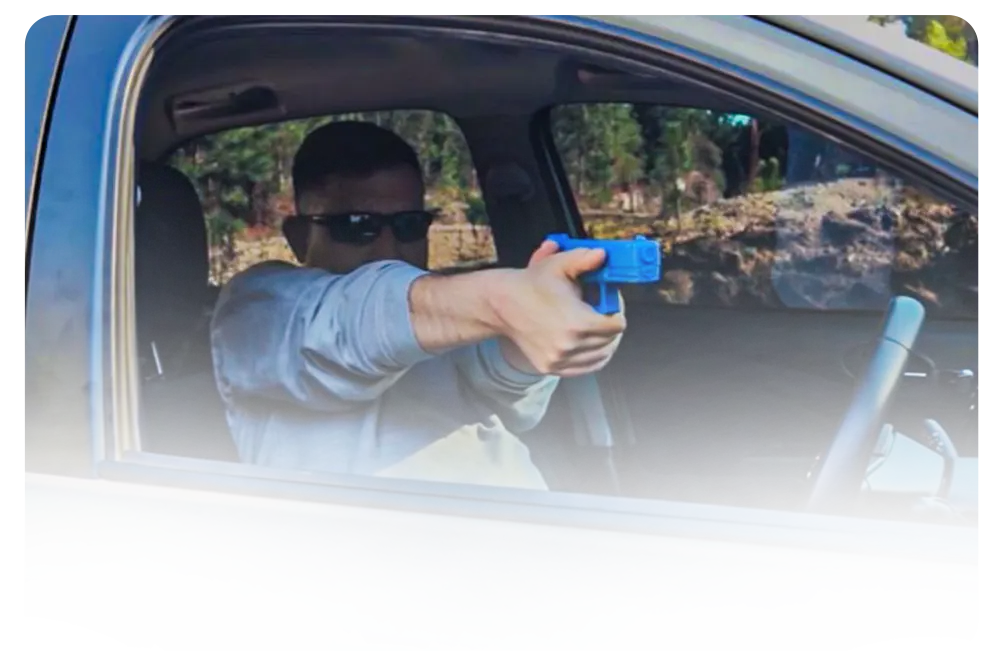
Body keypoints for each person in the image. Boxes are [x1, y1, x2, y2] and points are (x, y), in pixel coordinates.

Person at [210, 121, 626, 489]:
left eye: (408, 226)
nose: (389, 249)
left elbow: (500, 382)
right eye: (357, 228)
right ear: (300, 237)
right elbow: (347, 325)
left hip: (532, 532)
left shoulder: (439, 309)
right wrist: (500, 300)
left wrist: (551, 326)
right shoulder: (257, 308)